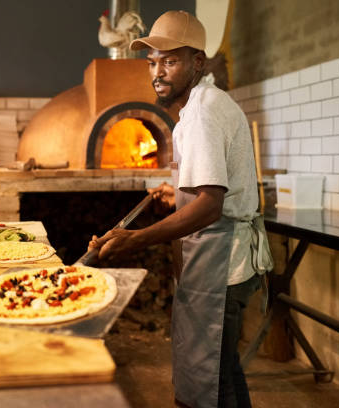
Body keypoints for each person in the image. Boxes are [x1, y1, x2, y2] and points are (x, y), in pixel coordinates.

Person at [90, 10, 269, 408]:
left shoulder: (203, 113)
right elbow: (205, 190)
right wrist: (176, 194)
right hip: (218, 260)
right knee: (222, 372)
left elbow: (209, 206)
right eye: (152, 61)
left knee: (208, 383)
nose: (158, 71)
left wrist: (135, 239)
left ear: (197, 62)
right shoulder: (201, 105)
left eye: (170, 61)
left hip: (222, 263)